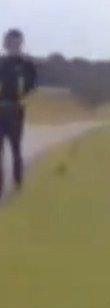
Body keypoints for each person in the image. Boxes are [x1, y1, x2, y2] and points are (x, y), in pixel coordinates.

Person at [0, 29, 38, 196]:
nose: (14, 46)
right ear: (5, 44)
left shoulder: (27, 65)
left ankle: (18, 182)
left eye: (17, 43)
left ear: (21, 44)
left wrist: (24, 95)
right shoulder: (1, 63)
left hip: (16, 110)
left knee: (15, 148)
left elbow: (33, 84)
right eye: (10, 43)